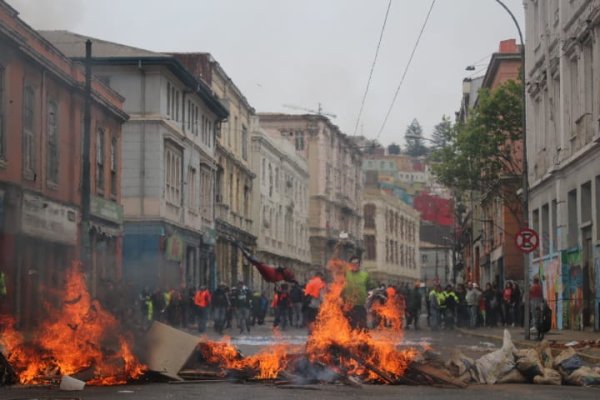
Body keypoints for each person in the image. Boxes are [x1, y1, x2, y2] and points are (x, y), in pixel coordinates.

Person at [342, 255, 373, 330]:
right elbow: (340, 286)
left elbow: (370, 287)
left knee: (362, 326)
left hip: (360, 305)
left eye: (356, 263)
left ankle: (362, 340)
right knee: (350, 326)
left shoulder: (365, 275)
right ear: (350, 265)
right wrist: (340, 297)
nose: (354, 265)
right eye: (352, 263)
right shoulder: (346, 274)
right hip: (349, 305)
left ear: (359, 264)